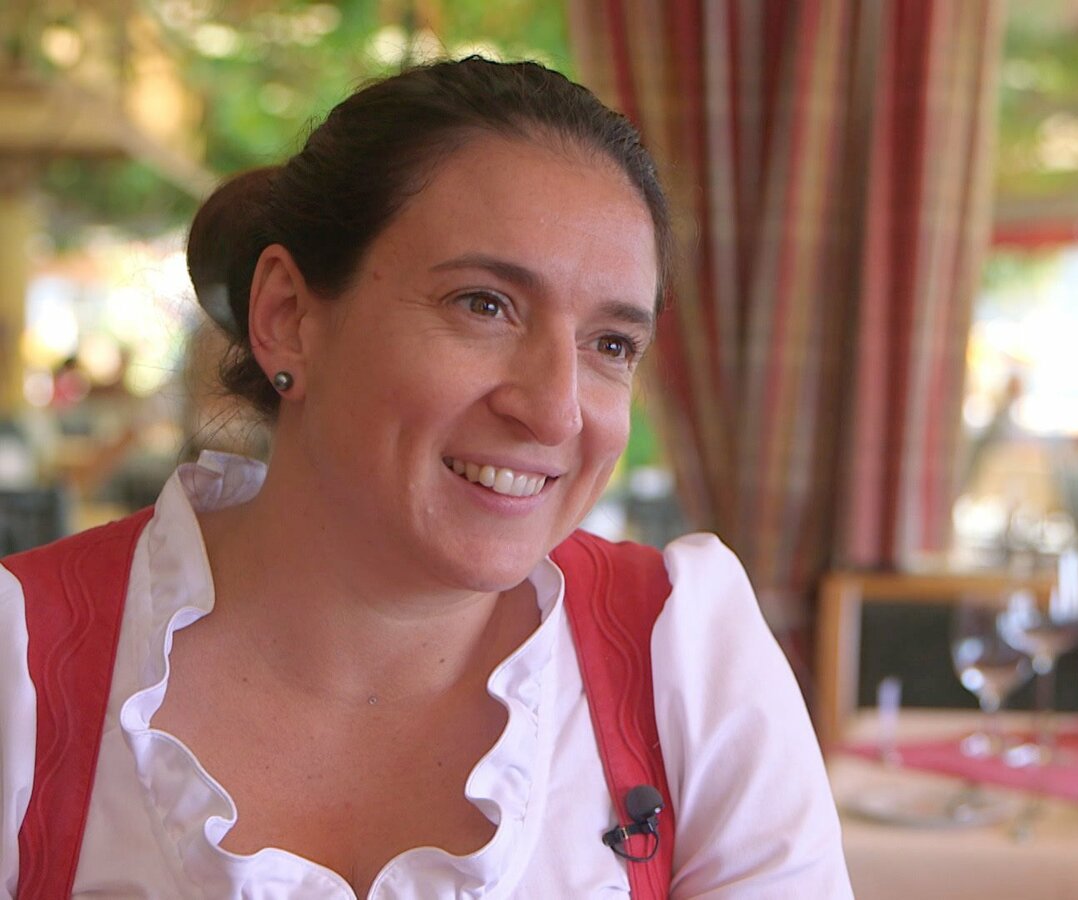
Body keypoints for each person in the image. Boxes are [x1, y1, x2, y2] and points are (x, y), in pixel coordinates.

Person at [0, 58, 852, 898]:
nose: (556, 412)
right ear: (288, 318)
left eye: (611, 345)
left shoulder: (683, 657)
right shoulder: (21, 666)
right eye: (484, 304)